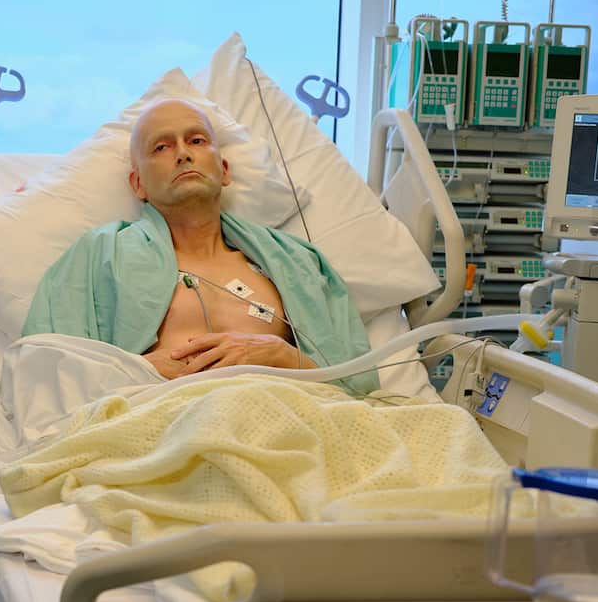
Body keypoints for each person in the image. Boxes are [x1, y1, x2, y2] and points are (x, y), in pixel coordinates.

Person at [22, 98, 379, 397]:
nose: (182, 154)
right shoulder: (99, 255)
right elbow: (43, 377)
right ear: (137, 184)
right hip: (157, 429)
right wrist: (138, 369)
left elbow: (358, 390)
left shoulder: (296, 262)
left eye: (196, 140)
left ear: (223, 170)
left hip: (291, 427)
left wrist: (282, 355)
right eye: (161, 147)